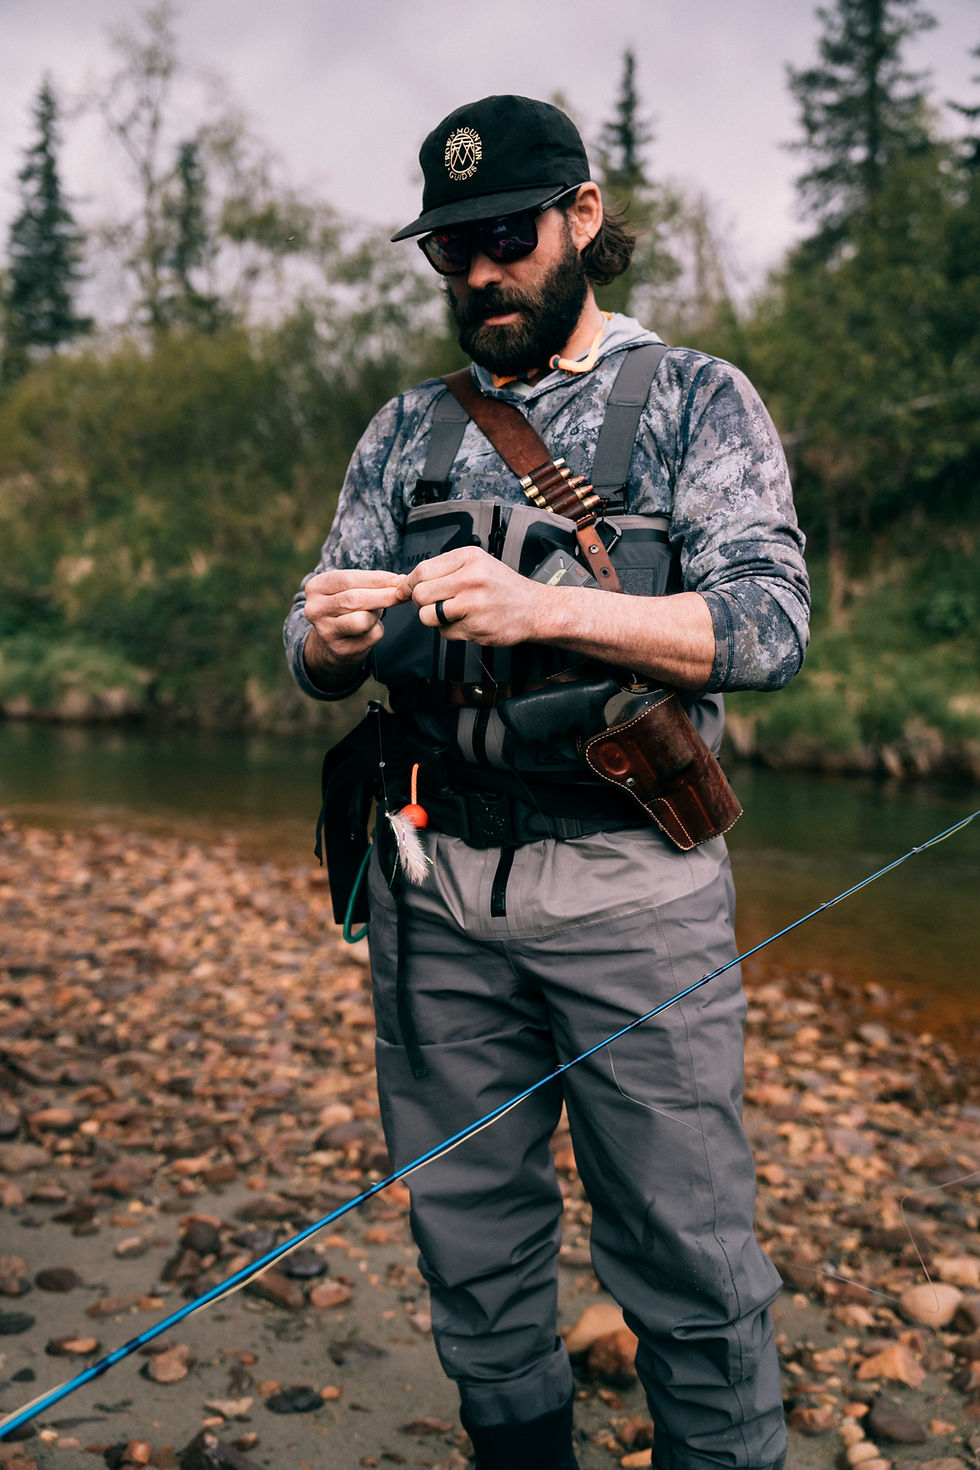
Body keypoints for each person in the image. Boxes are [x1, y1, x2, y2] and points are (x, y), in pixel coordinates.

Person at [284, 95, 808, 1470]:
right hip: (432, 902)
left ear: (583, 217)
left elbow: (768, 626)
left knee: (689, 1269)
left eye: (503, 238)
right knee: (472, 1259)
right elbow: (309, 644)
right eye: (449, 249)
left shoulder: (700, 398)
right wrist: (327, 639)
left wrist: (548, 609)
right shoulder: (404, 429)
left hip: (640, 896)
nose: (477, 274)